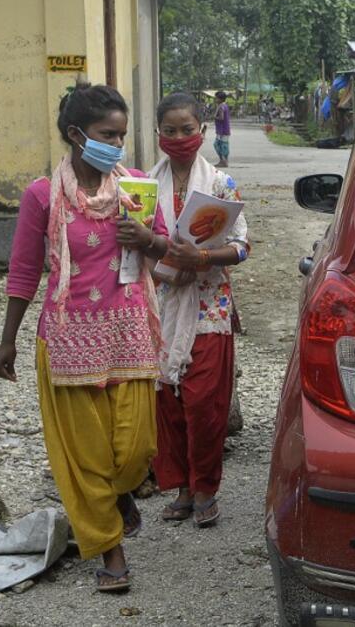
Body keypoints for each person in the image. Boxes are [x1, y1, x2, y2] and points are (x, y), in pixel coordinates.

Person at [0, 83, 200, 592]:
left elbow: (164, 255)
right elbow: (23, 272)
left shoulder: (134, 186)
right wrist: (8, 340)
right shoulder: (43, 195)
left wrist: (147, 238)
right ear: (76, 134)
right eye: (109, 134)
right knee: (85, 455)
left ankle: (122, 494)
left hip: (129, 331)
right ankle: (112, 552)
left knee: (135, 449)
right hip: (66, 340)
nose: (118, 145)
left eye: (123, 135)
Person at [149, 92, 249, 528]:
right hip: (159, 305)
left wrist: (203, 259)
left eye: (187, 129)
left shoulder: (222, 186)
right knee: (166, 402)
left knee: (203, 403)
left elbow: (243, 247)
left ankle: (206, 486)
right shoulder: (142, 187)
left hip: (209, 307)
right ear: (158, 136)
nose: (179, 138)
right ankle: (183, 488)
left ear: (202, 132)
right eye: (169, 131)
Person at [213, 90, 231, 168]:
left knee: (219, 145)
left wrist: (214, 117)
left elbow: (221, 118)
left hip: (222, 130)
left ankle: (223, 161)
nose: (215, 100)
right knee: (223, 145)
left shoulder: (221, 107)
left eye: (216, 98)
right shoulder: (224, 105)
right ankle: (223, 161)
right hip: (224, 129)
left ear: (220, 99)